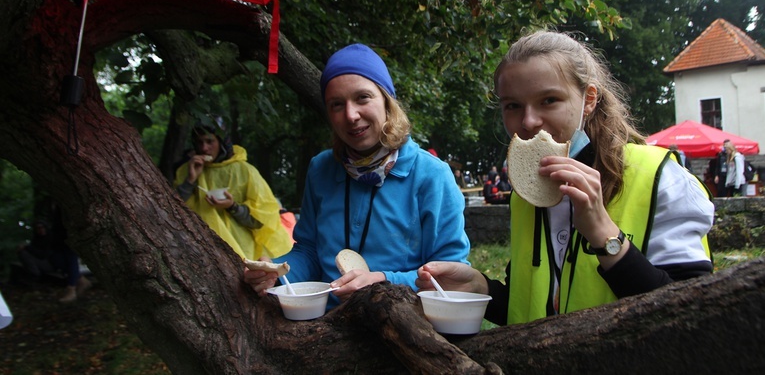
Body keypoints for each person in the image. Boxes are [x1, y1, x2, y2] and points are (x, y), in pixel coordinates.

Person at [417, 30, 714, 325]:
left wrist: (604, 236)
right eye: (513, 106)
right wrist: (480, 288)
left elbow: (692, 317)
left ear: (589, 99)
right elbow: (535, 309)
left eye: (549, 100)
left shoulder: (660, 177)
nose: (529, 121)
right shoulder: (525, 194)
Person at [244, 43, 470, 307]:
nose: (351, 115)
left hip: (404, 328)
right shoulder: (321, 169)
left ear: (387, 101)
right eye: (337, 105)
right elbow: (309, 252)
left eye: (362, 97)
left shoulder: (432, 176)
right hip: (324, 326)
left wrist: (383, 282)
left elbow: (450, 276)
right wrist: (278, 275)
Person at [174, 119, 292, 261]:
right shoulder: (186, 170)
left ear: (221, 141)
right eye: (199, 142)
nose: (204, 148)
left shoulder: (245, 171)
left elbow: (263, 221)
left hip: (242, 252)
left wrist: (232, 206)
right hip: (198, 251)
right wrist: (190, 180)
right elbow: (173, 209)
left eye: (209, 141)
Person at [17, 198, 92, 303]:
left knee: (71, 262)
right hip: (59, 239)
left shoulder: (67, 203)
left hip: (69, 237)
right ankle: (80, 281)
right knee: (58, 261)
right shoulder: (54, 206)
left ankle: (71, 289)